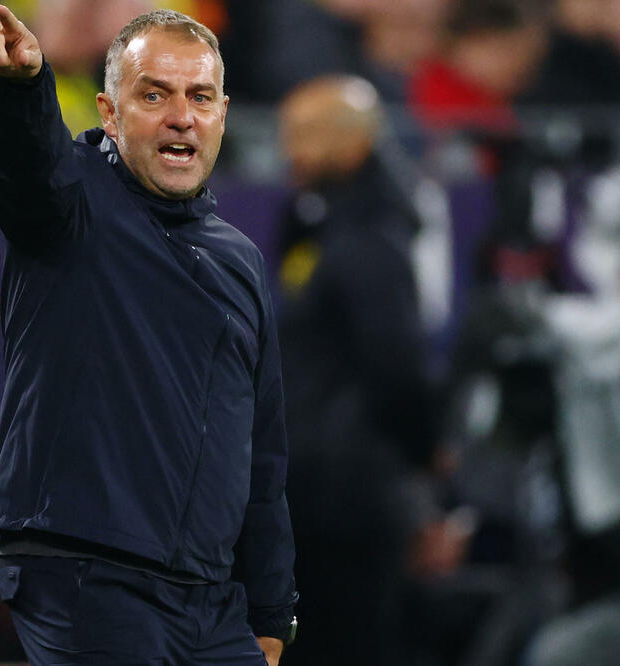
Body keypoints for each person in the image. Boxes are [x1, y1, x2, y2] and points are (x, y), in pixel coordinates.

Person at [0, 5, 298, 664]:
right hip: (87, 577)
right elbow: (27, 163)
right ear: (110, 113)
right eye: (154, 95)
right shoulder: (71, 203)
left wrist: (270, 610)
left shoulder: (239, 261)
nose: (181, 116)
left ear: (223, 115)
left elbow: (260, 455)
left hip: (209, 601)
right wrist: (19, 90)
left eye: (199, 97)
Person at [274, 75, 468, 665]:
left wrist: (424, 459)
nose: (292, 150)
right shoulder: (325, 227)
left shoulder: (371, 239)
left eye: (309, 134)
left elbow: (398, 369)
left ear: (357, 142)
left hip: (350, 501)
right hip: (318, 490)